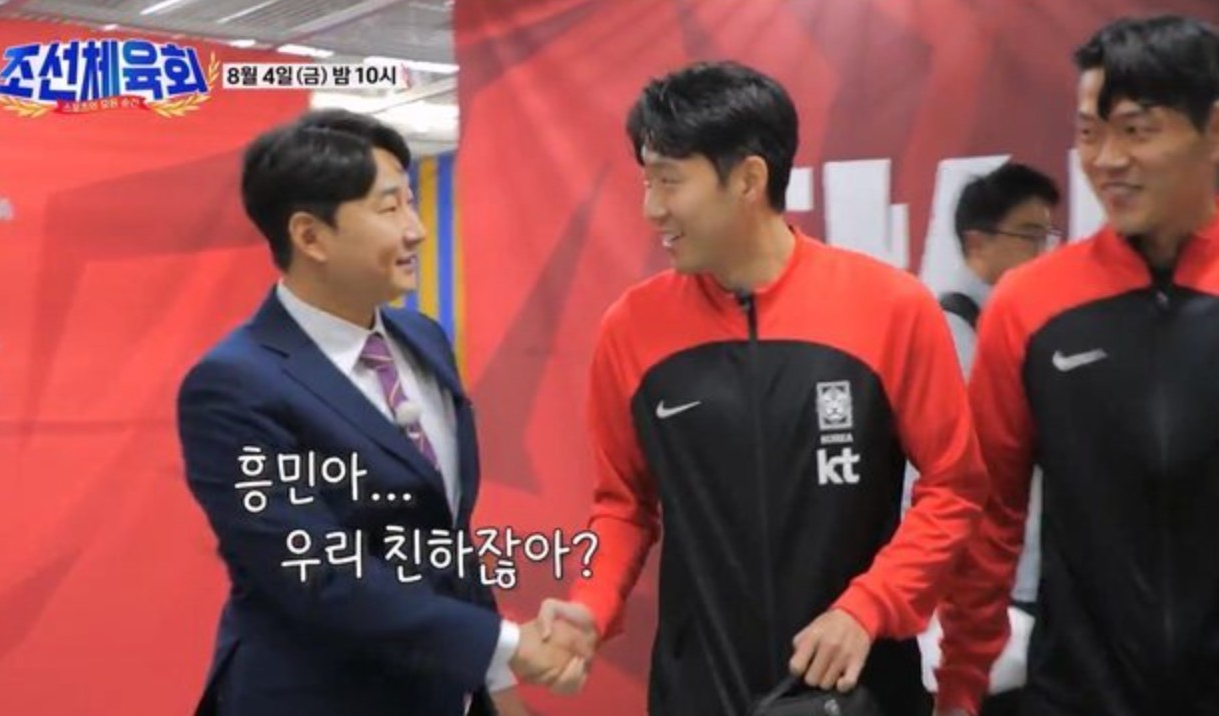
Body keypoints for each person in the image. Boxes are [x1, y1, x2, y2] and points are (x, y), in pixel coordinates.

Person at [536, 61, 989, 716]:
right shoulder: (630, 329)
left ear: (749, 179)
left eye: (669, 181)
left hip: (856, 692)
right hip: (698, 695)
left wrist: (870, 605)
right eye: (646, 180)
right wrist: (592, 606)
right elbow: (623, 504)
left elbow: (955, 486)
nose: (651, 208)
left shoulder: (891, 307)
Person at [176, 109, 593, 716]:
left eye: (410, 203)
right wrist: (504, 646)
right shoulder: (234, 385)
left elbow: (440, 533)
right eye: (389, 208)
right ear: (310, 237)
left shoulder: (422, 338)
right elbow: (316, 572)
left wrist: (495, 682)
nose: (416, 231)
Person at [935, 15, 1219, 716]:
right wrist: (962, 685)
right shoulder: (1030, 304)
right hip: (1078, 694)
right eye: (1090, 134)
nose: (1108, 159)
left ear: (1212, 130)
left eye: (1137, 130)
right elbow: (988, 515)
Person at [903, 162, 1060, 716]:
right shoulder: (949, 334)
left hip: (1025, 582)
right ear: (978, 242)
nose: (1043, 252)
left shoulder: (1021, 328)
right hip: (979, 596)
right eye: (1029, 235)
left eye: (1048, 235)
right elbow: (950, 478)